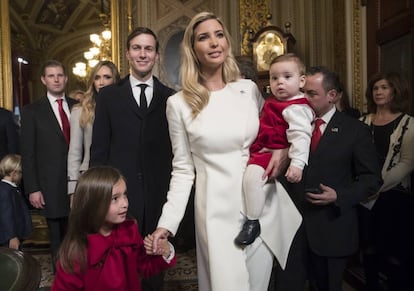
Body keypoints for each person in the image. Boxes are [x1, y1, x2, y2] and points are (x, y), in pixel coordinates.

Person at [151, 12, 302, 291]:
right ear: (192, 48)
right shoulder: (179, 104)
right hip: (216, 213)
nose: (214, 43)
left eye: (219, 35)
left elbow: (269, 137)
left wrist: (281, 151)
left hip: (261, 204)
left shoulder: (247, 90)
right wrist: (167, 224)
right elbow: (183, 170)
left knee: (257, 286)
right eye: (203, 37)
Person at [274, 66, 382, 291]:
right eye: (302, 92)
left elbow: (372, 179)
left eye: (311, 94)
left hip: (331, 230)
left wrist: (339, 195)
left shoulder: (355, 130)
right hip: (290, 231)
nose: (303, 98)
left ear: (332, 96)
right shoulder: (285, 125)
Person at [90, 27, 175, 291]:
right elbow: (99, 148)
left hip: (158, 196)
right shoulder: (109, 96)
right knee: (116, 269)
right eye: (137, 48)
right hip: (118, 197)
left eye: (148, 48)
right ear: (127, 53)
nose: (142, 54)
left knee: (153, 267)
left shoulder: (171, 98)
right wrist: (99, 196)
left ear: (157, 55)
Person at [51, 166, 176, 291]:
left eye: (125, 195)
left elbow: (143, 267)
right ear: (93, 204)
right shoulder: (77, 253)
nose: (125, 204)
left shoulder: (128, 232)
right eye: (115, 199)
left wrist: (165, 250)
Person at [235, 53, 313, 246]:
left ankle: (252, 222)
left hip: (271, 151)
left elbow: (301, 137)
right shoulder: (272, 101)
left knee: (252, 180)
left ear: (302, 80)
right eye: (274, 78)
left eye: (287, 77)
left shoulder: (296, 108)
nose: (280, 83)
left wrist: (297, 164)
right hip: (260, 149)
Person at [359, 72, 414, 290]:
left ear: (396, 91)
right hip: (363, 197)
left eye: (385, 87)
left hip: (395, 197)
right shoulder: (362, 121)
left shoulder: (409, 124)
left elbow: (407, 163)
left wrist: (374, 187)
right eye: (375, 88)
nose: (379, 92)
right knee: (368, 249)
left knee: (394, 253)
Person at [20, 60, 77, 268]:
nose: (56, 79)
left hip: (78, 184)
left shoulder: (78, 106)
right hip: (50, 186)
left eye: (60, 75)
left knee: (79, 236)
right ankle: (62, 280)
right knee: (57, 240)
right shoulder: (32, 111)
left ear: (66, 78)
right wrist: (33, 188)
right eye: (51, 76)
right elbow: (28, 154)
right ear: (44, 80)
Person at [67, 61, 120, 202]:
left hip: (119, 173)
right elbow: (75, 151)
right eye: (97, 78)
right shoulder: (80, 110)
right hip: (91, 173)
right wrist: (73, 189)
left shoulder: (124, 107)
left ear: (115, 80)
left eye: (107, 77)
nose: (101, 82)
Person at [0, 154, 31, 249]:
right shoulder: (5, 191)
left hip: (17, 234)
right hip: (9, 238)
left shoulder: (12, 189)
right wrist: (12, 236)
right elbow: (6, 216)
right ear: (14, 174)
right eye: (20, 173)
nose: (22, 176)